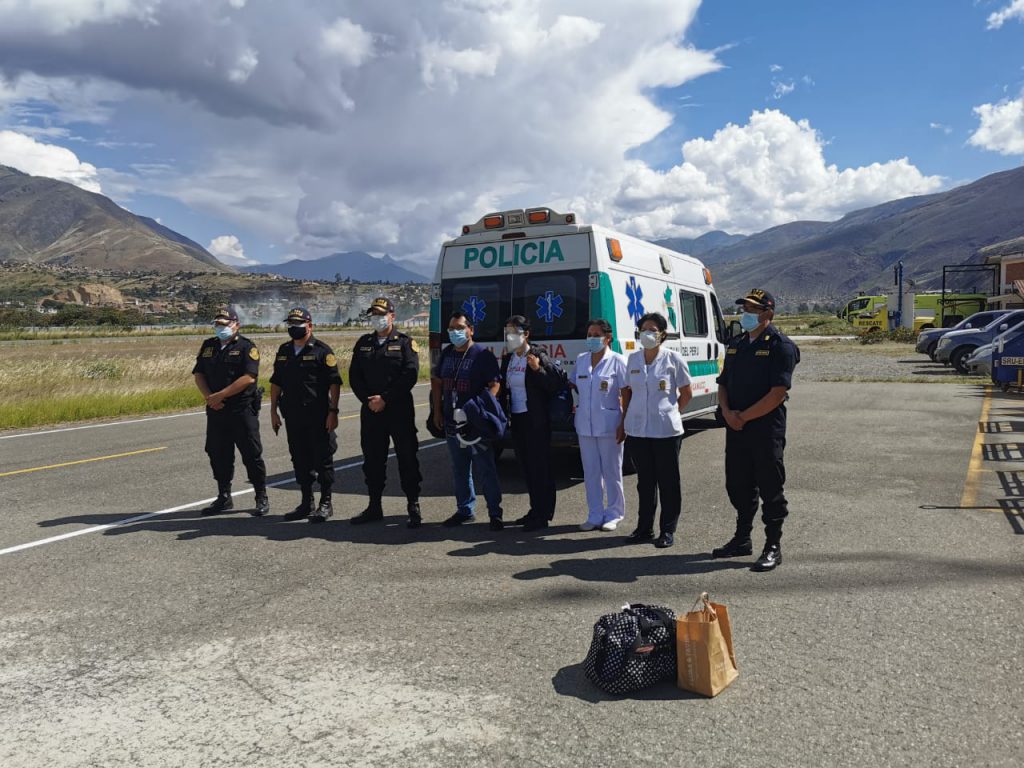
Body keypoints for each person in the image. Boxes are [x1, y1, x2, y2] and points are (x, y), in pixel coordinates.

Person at [712, 288, 799, 572]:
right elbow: (722, 383)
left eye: (752, 310)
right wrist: (727, 413)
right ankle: (742, 539)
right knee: (737, 485)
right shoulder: (737, 344)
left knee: (770, 488)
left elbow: (777, 393)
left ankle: (772, 545)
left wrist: (743, 417)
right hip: (736, 428)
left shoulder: (780, 346)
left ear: (767, 314)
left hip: (764, 430)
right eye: (744, 308)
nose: (745, 314)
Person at [348, 297, 423, 528]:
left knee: (407, 458)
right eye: (374, 314)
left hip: (398, 410)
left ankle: (413, 505)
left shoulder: (404, 343)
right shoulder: (363, 343)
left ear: (392, 316)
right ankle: (374, 505)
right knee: (372, 460)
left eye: (381, 314)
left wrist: (386, 398)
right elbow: (354, 376)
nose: (377, 318)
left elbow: (410, 374)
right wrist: (369, 401)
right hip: (371, 411)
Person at [620, 312, 693, 548]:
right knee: (645, 482)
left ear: (662, 334)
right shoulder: (632, 359)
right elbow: (628, 392)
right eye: (643, 329)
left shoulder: (673, 359)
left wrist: (670, 412)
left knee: (668, 482)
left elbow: (686, 393)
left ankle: (667, 530)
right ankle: (644, 528)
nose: (647, 333)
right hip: (638, 430)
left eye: (652, 329)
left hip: (665, 432)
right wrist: (625, 419)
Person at [191, 307, 269, 517]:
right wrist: (210, 398)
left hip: (241, 410)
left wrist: (221, 395)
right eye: (218, 324)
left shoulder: (246, 347)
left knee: (251, 454)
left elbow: (249, 377)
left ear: (236, 325)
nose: (221, 327)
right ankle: (224, 496)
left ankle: (261, 495)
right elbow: (199, 374)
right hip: (216, 411)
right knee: (218, 453)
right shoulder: (209, 346)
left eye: (225, 324)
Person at [430, 310, 504, 530]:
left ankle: (495, 513)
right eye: (451, 329)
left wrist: (482, 408)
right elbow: (437, 381)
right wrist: (437, 411)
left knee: (486, 468)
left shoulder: (482, 355)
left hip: (475, 425)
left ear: (471, 330)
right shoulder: (447, 354)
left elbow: (495, 384)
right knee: (459, 469)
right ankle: (465, 510)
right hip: (452, 423)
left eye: (460, 328)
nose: (455, 332)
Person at [269, 307, 342, 523]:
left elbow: (334, 383)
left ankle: (325, 503)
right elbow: (276, 382)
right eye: (290, 325)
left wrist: (333, 412)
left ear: (309, 326)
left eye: (298, 325)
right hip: (293, 415)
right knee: (300, 459)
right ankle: (306, 502)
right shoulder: (284, 351)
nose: (293, 328)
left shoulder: (322, 351)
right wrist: (273, 411)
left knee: (323, 459)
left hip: (318, 415)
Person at [498, 315, 565, 531]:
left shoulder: (537, 354)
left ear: (525, 334)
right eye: (507, 331)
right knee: (526, 467)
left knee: (540, 468)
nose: (509, 336)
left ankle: (544, 514)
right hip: (517, 418)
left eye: (514, 332)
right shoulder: (509, 358)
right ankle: (534, 509)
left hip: (535, 419)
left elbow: (553, 385)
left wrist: (537, 369)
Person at [571, 319, 628, 532]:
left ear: (607, 337)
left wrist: (624, 423)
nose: (592, 339)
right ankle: (594, 514)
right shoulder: (581, 360)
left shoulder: (618, 361)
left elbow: (627, 391)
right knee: (591, 472)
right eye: (589, 334)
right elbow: (574, 384)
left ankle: (614, 513)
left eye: (596, 335)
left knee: (612, 471)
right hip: (585, 426)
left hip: (610, 425)